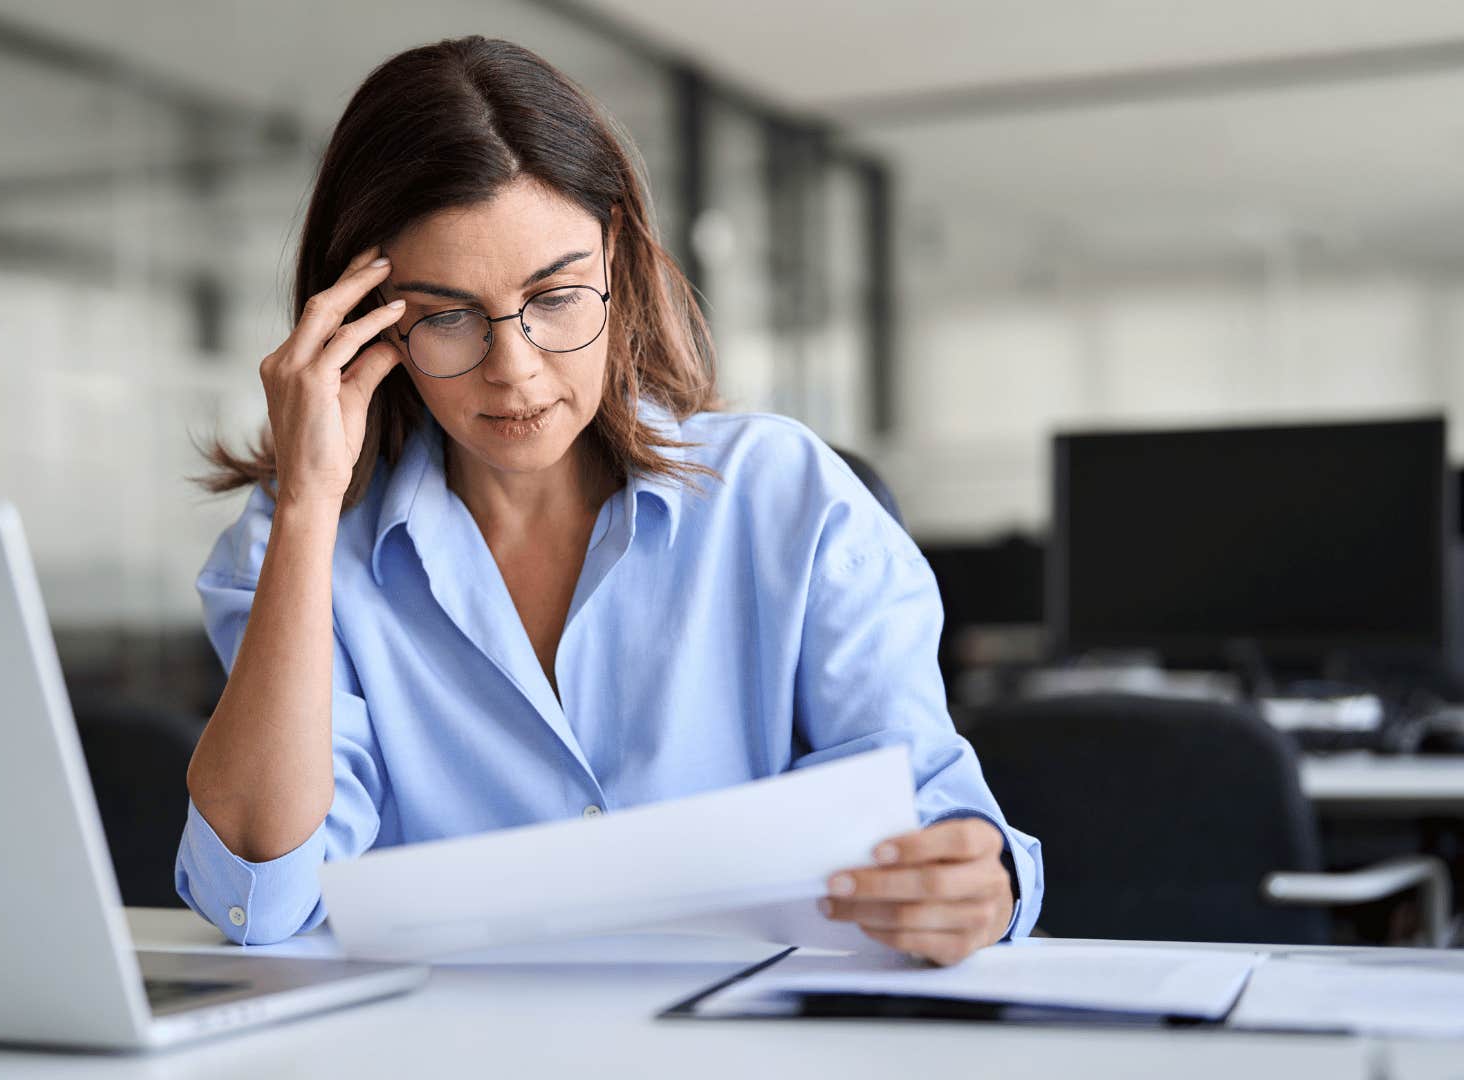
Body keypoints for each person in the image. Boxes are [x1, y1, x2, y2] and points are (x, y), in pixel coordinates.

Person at [182, 36, 1042, 966]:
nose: (514, 372)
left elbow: (931, 806)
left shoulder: (786, 500)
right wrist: (311, 502)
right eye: (443, 315)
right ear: (359, 326)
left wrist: (975, 878)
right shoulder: (295, 546)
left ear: (617, 263)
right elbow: (262, 893)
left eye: (554, 297)